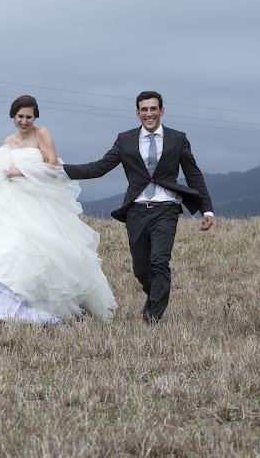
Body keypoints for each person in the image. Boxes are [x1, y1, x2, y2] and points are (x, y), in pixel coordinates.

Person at [0, 95, 117, 324]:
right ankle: (9, 303)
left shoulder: (43, 134)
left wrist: (18, 172)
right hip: (9, 199)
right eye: (20, 116)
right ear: (13, 117)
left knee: (39, 249)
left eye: (29, 116)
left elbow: (51, 165)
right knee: (8, 247)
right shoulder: (8, 140)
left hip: (37, 197)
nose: (24, 121)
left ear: (35, 117)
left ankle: (40, 304)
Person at [62, 91, 214, 324]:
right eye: (144, 109)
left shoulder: (178, 139)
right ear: (137, 113)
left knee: (159, 261)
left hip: (166, 209)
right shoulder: (126, 140)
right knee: (141, 269)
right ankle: (155, 296)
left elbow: (194, 174)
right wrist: (59, 169)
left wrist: (207, 210)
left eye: (153, 109)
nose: (149, 113)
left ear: (161, 111)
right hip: (137, 210)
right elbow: (99, 168)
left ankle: (152, 317)